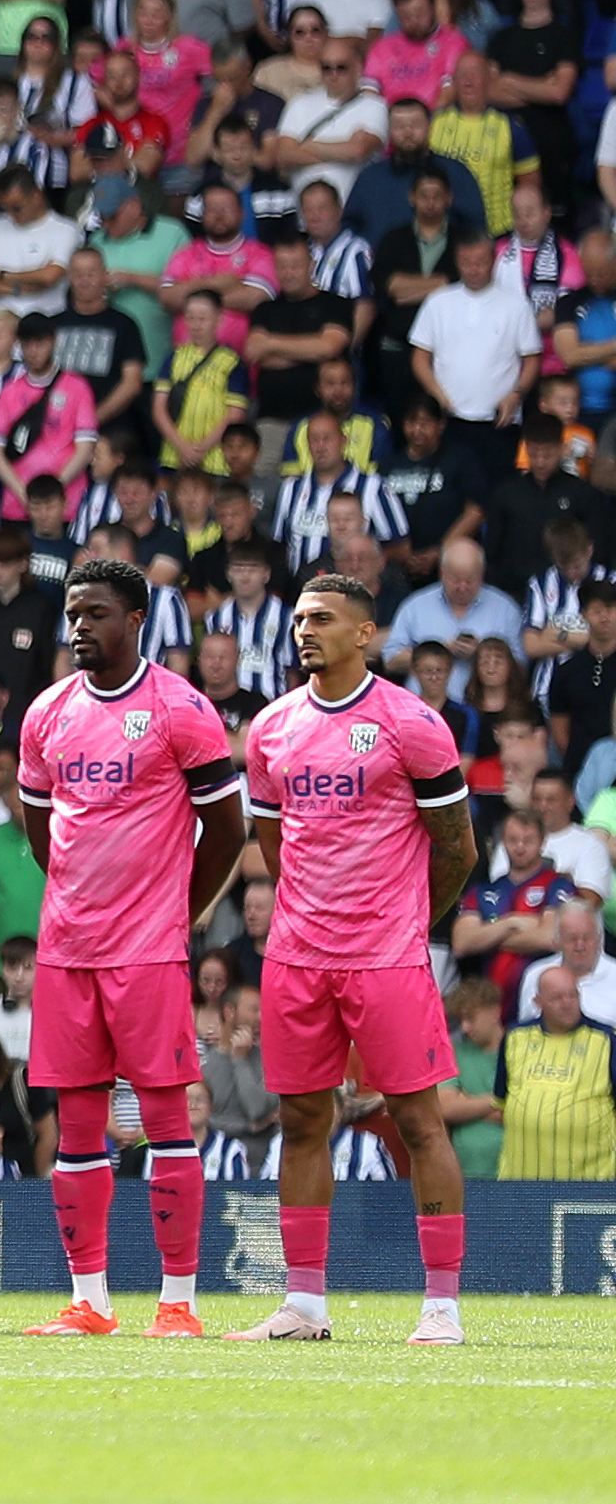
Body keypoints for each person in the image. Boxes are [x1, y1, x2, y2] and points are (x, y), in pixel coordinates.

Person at [236, 566, 482, 1343]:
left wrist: (406, 922)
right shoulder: (271, 728)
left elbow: (458, 848)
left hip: (387, 957)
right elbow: (278, 848)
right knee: (303, 1120)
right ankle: (304, 1304)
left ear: (366, 633)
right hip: (298, 956)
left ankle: (441, 1306)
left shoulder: (412, 723)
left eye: (324, 618)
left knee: (418, 1120)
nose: (306, 629)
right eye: (301, 617)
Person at [10, 552, 246, 1336]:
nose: (79, 626)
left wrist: (175, 909)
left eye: (96, 613)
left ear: (137, 619)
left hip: (148, 952)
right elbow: (41, 830)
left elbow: (229, 828)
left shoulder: (181, 708)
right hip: (67, 948)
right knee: (77, 1128)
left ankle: (178, 1304)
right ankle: (91, 1300)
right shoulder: (46, 713)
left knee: (165, 1120)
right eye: (73, 613)